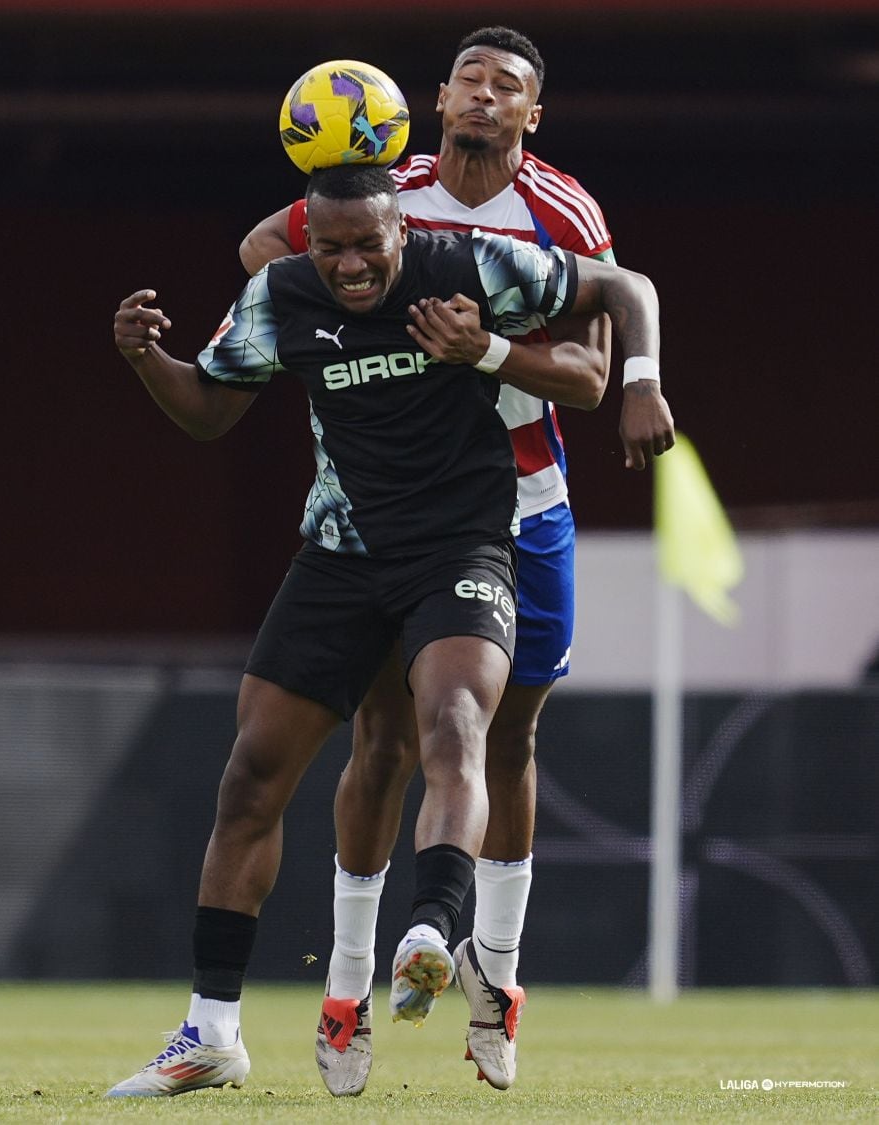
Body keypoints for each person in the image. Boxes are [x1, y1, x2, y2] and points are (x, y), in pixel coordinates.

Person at [105, 163, 664, 1098]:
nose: (352, 265)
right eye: (330, 248)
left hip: (461, 545)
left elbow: (624, 288)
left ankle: (430, 931)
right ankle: (211, 1032)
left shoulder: (474, 265)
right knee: (251, 775)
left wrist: (640, 380)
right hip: (341, 554)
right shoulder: (280, 293)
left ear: (403, 229)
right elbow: (209, 409)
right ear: (307, 242)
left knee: (455, 724)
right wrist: (143, 360)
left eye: (369, 243)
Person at [239, 28, 675, 1094]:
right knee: (385, 738)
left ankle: (499, 975)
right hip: (407, 512)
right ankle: (345, 991)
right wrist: (364, 327)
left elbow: (584, 365)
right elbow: (262, 253)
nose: (485, 95)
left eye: (509, 86)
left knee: (504, 738)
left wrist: (490, 350)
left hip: (524, 505)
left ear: (534, 115)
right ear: (434, 100)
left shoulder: (562, 212)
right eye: (469, 78)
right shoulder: (388, 196)